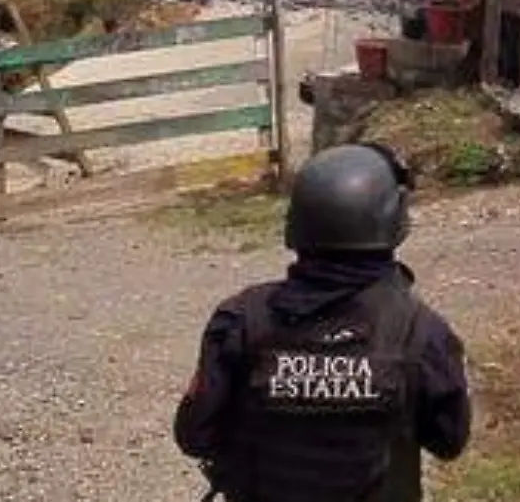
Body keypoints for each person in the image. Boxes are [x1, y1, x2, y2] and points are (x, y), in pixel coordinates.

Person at [174, 143, 471, 502]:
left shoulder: (240, 320)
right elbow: (449, 440)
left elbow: (195, 435)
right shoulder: (420, 331)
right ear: (394, 223)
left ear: (296, 224)